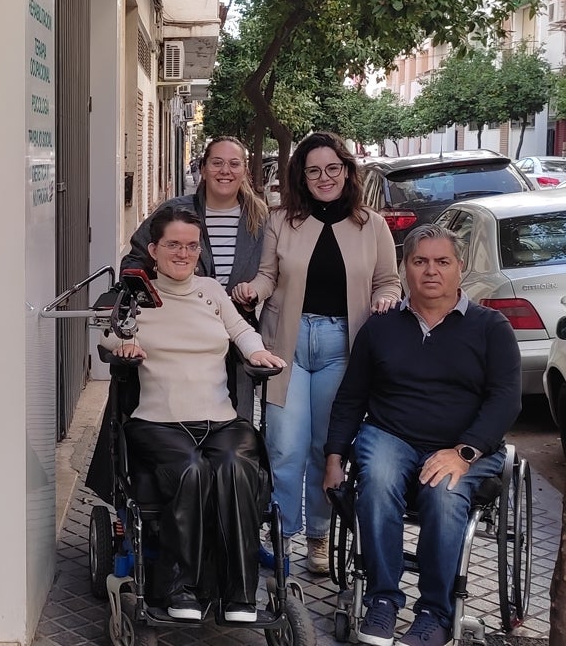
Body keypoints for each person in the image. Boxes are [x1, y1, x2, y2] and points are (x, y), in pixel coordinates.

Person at [322, 224, 521, 646]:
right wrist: (334, 458)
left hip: (464, 444)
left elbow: (505, 400)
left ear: (460, 269)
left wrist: (464, 452)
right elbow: (351, 397)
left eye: (442, 262)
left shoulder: (491, 328)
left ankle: (435, 611)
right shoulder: (380, 327)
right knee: (375, 482)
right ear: (405, 268)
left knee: (445, 494)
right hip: (391, 433)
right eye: (420, 261)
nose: (431, 271)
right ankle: (382, 599)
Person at [104, 206, 288, 622]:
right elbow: (109, 332)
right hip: (158, 422)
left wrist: (256, 350)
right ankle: (178, 587)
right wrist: (124, 347)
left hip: (220, 420)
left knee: (239, 468)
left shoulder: (211, 291)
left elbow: (240, 329)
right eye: (173, 244)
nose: (183, 253)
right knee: (190, 470)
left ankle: (240, 594)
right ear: (153, 249)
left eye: (191, 245)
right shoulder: (137, 294)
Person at [231, 131, 400, 575]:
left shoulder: (372, 225)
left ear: (347, 170)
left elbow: (389, 280)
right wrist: (253, 290)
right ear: (301, 177)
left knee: (327, 447)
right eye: (313, 171)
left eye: (332, 169)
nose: (324, 178)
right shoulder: (282, 220)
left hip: (343, 346)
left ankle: (320, 537)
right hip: (286, 344)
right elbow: (269, 276)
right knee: (285, 445)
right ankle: (283, 535)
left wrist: (384, 298)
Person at [123, 136, 269, 418]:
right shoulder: (176, 211)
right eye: (216, 163)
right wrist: (163, 296)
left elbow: (271, 272)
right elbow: (134, 262)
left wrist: (255, 291)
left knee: (235, 420)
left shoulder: (260, 218)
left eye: (234, 164)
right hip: (182, 330)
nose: (225, 171)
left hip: (236, 328)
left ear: (244, 171)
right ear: (203, 168)